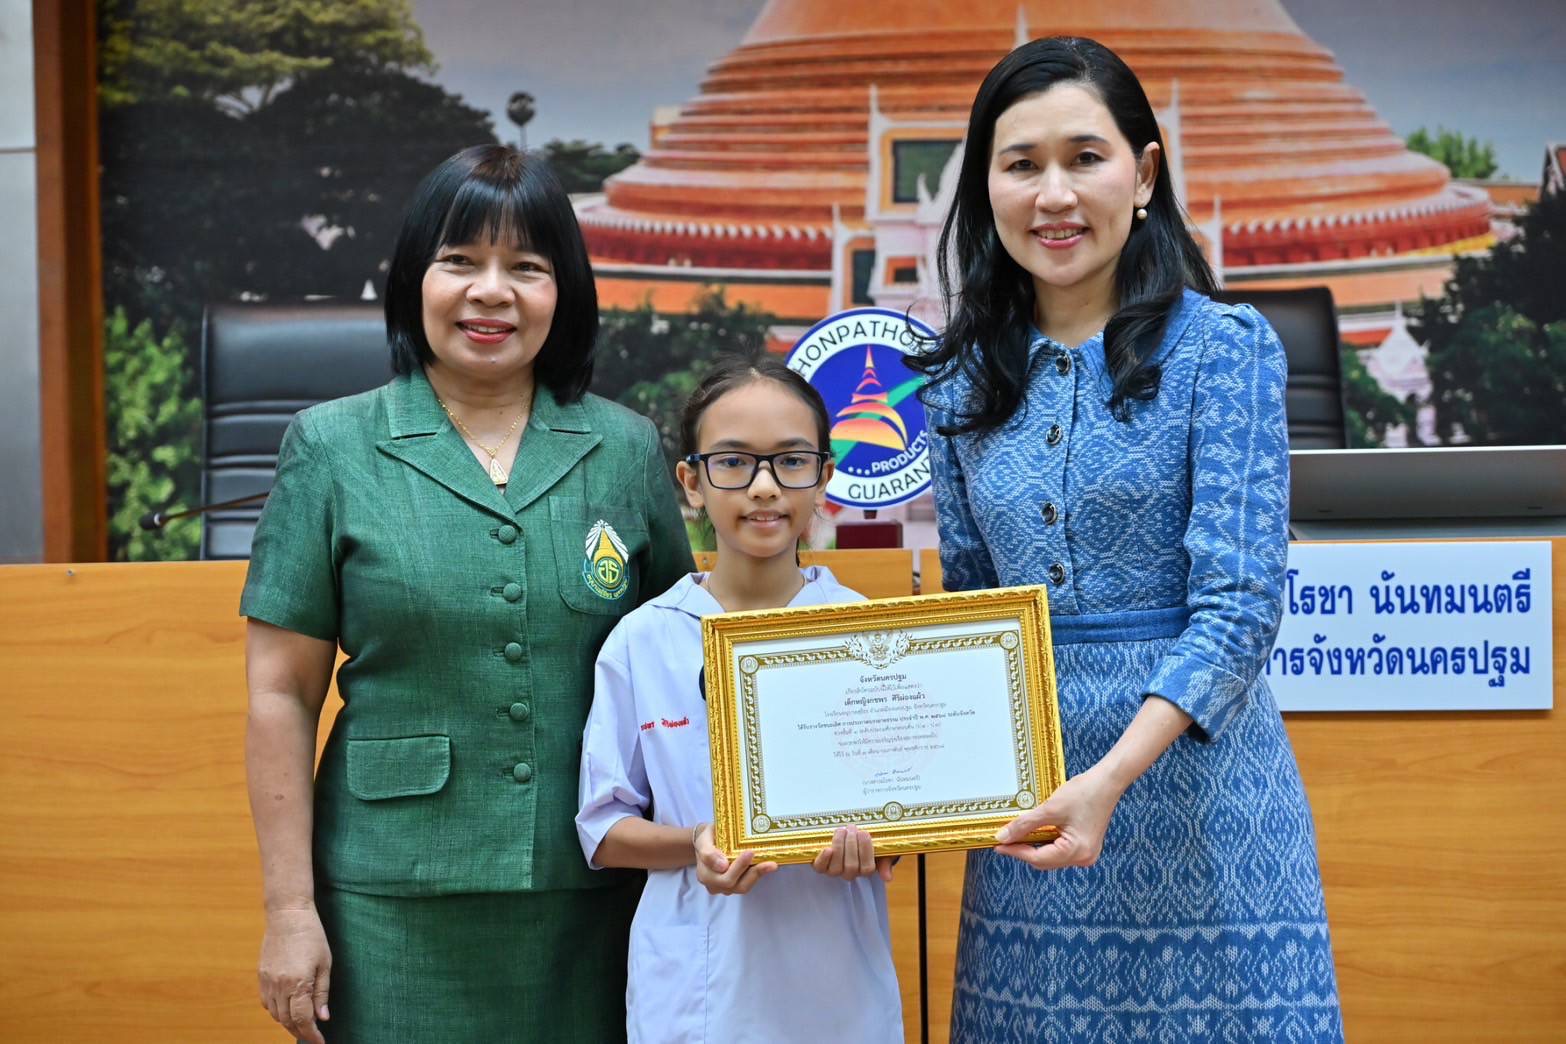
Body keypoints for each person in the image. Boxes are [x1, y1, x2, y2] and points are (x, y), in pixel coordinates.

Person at [912, 37, 1344, 1042]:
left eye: (1085, 158)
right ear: (985, 188)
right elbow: (976, 615)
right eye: (1021, 165)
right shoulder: (961, 386)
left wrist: (1107, 781)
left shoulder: (1223, 350)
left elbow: (1238, 609)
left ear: (1144, 174)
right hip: (1032, 821)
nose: (1054, 195)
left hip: (1203, 798)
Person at [241, 144, 693, 1043]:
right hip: (391, 900)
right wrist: (290, 911)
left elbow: (683, 671)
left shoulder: (626, 448)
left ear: (564, 291)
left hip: (596, 891)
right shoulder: (330, 447)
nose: (492, 292)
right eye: (460, 261)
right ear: (416, 277)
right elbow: (279, 693)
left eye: (526, 267)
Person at [575, 357, 905, 1043]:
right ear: (691, 483)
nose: (763, 487)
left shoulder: (869, 635)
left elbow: (907, 810)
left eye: (791, 461)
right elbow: (604, 831)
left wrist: (881, 846)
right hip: (694, 979)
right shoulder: (643, 640)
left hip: (837, 981)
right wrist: (697, 842)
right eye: (733, 462)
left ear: (824, 478)